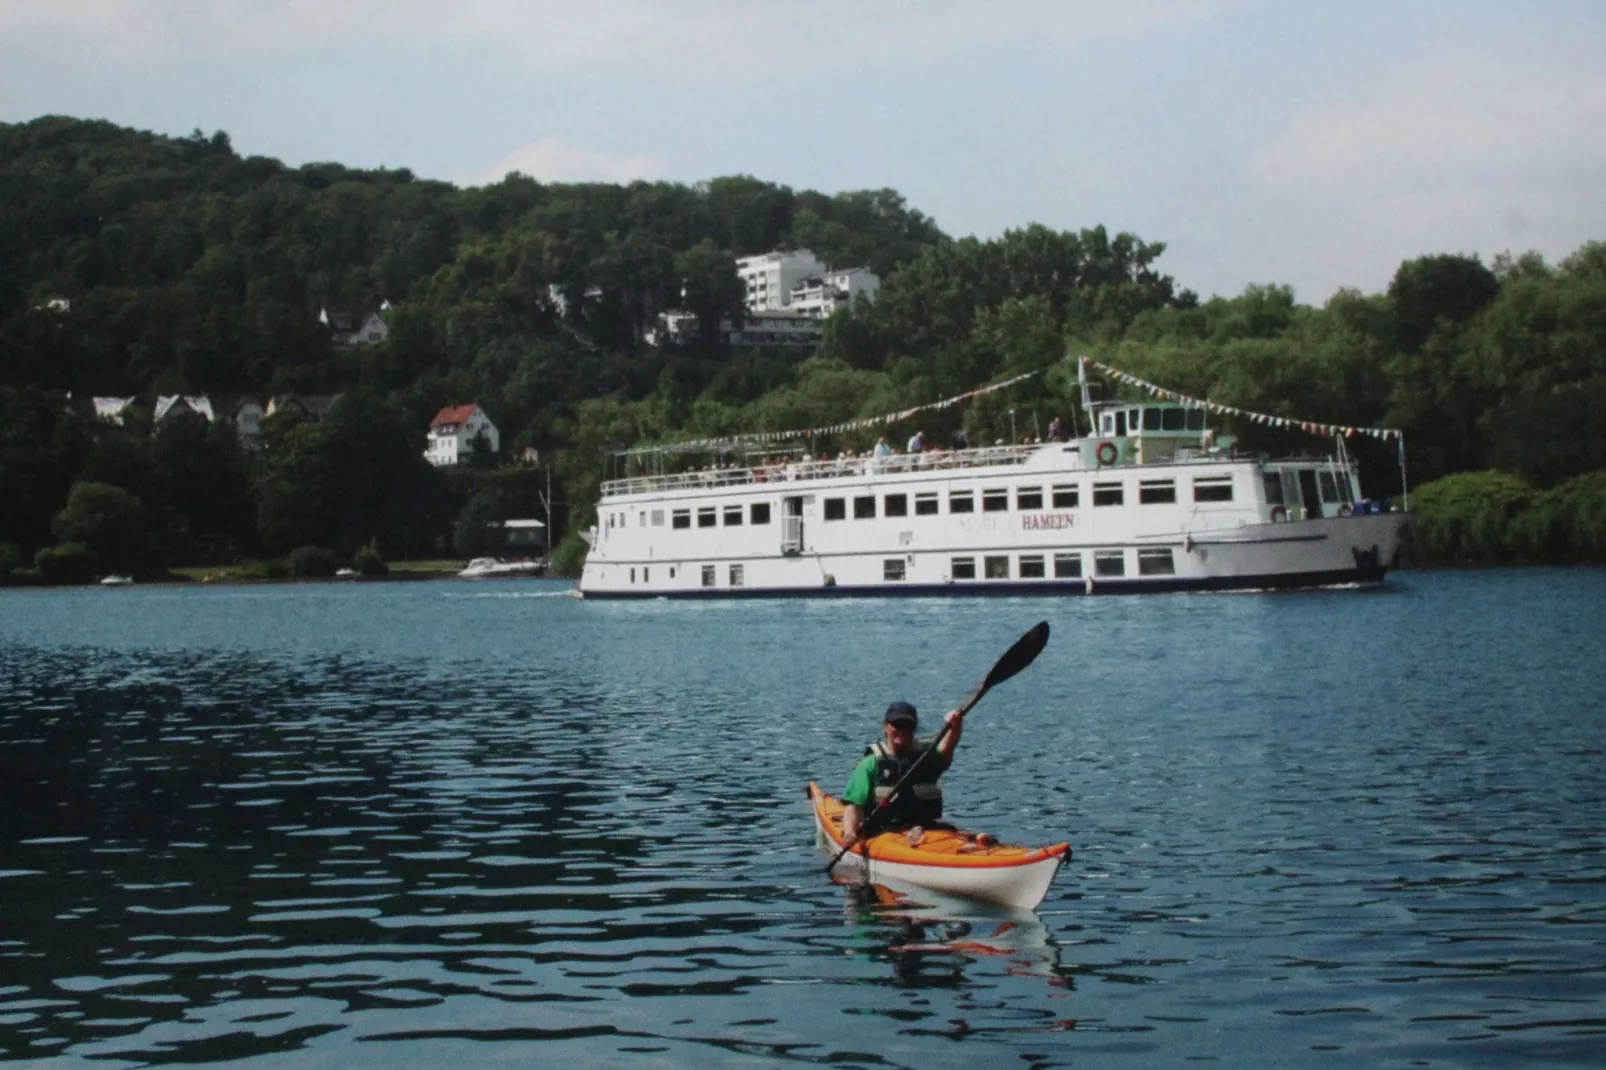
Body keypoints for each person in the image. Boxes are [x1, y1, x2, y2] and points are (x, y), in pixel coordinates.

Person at [841, 701, 963, 842]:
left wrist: (956, 725)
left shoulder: (927, 757)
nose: (902, 730)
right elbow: (853, 806)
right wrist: (850, 832)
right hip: (883, 833)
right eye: (896, 725)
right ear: (885, 727)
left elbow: (949, 745)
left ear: (914, 728)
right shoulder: (870, 763)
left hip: (928, 832)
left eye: (908, 726)